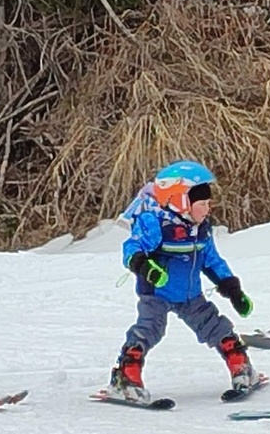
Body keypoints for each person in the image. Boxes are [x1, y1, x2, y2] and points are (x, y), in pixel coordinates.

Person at [108, 160, 259, 403]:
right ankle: (126, 376)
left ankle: (241, 367)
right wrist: (145, 267)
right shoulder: (155, 223)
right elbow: (131, 248)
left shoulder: (200, 229)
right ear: (180, 201)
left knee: (215, 326)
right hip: (157, 293)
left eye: (209, 203)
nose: (207, 209)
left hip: (191, 295)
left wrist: (232, 289)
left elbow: (211, 260)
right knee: (149, 329)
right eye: (202, 204)